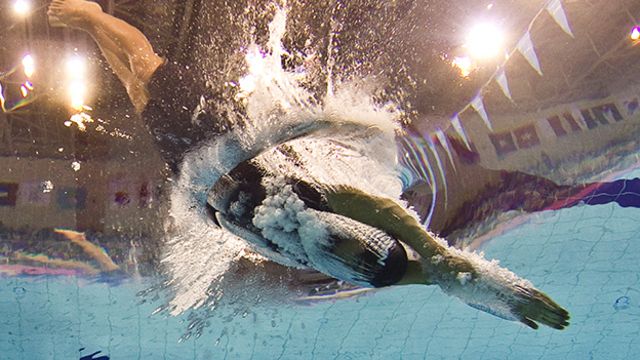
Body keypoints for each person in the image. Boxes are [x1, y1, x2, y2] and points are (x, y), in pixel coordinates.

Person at [48, 0, 220, 173]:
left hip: (193, 163)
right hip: (217, 130)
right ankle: (92, 14)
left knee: (136, 92)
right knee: (144, 65)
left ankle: (89, 26)